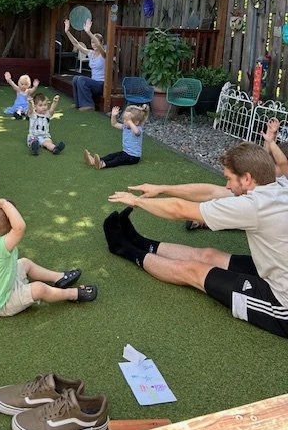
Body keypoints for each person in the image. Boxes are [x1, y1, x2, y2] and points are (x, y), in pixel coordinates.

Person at [105, 142, 288, 338]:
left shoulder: (254, 206)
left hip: (282, 306)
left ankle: (124, 248)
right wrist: (161, 189)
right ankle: (138, 241)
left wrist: (137, 201)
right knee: (209, 255)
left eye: (229, 179)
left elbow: (180, 210)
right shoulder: (279, 185)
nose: (226, 185)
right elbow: (210, 192)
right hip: (276, 270)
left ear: (247, 178)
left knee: (193, 271)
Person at [0, 194, 97, 317]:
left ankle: (59, 278)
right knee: (39, 289)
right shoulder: (1, 247)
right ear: (9, 228)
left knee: (24, 263)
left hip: (2, 286)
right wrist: (4, 204)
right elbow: (20, 227)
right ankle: (73, 294)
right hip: (3, 303)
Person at [84, 104, 149, 169]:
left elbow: (137, 132)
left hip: (133, 157)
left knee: (118, 160)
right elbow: (114, 124)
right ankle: (94, 161)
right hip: (125, 152)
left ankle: (103, 164)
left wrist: (129, 122)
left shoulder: (138, 129)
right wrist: (113, 115)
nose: (124, 121)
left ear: (136, 123)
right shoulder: (125, 127)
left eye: (127, 120)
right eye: (124, 119)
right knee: (112, 156)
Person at [63, 18, 105, 111]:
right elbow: (76, 44)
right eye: (92, 42)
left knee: (82, 79)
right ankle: (78, 103)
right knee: (76, 78)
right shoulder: (91, 53)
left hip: (101, 85)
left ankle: (89, 105)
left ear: (102, 43)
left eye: (95, 42)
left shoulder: (104, 54)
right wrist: (67, 32)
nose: (93, 44)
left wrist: (89, 32)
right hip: (94, 83)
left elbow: (98, 45)